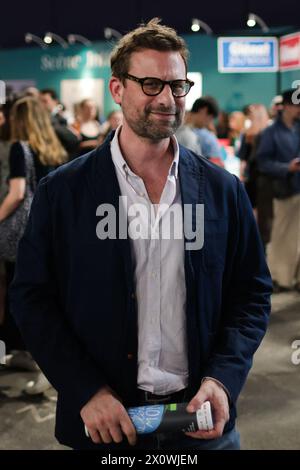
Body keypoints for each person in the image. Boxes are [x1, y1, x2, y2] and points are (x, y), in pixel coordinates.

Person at [10, 18, 272, 450]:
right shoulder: (64, 192)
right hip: (104, 424)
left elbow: (252, 294)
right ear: (117, 89)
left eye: (177, 85)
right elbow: (32, 298)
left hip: (199, 420)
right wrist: (85, 389)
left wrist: (224, 379)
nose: (167, 99)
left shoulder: (223, 191)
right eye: (151, 84)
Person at [0, 96, 67, 390]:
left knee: (22, 293)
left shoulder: (20, 149)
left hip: (23, 234)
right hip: (53, 230)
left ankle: (27, 351)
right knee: (47, 293)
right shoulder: (54, 149)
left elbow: (16, 193)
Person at [256, 88, 300, 292]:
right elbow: (262, 162)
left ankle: (291, 277)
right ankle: (277, 276)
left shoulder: (297, 129)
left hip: (297, 187)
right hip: (282, 190)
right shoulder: (271, 132)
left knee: (295, 237)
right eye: (296, 105)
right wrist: (286, 168)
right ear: (286, 107)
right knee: (281, 234)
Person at [40, 89, 80, 159]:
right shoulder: (41, 119)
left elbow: (74, 139)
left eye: (45, 101)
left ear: (55, 101)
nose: (42, 105)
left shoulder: (65, 117)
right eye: (40, 101)